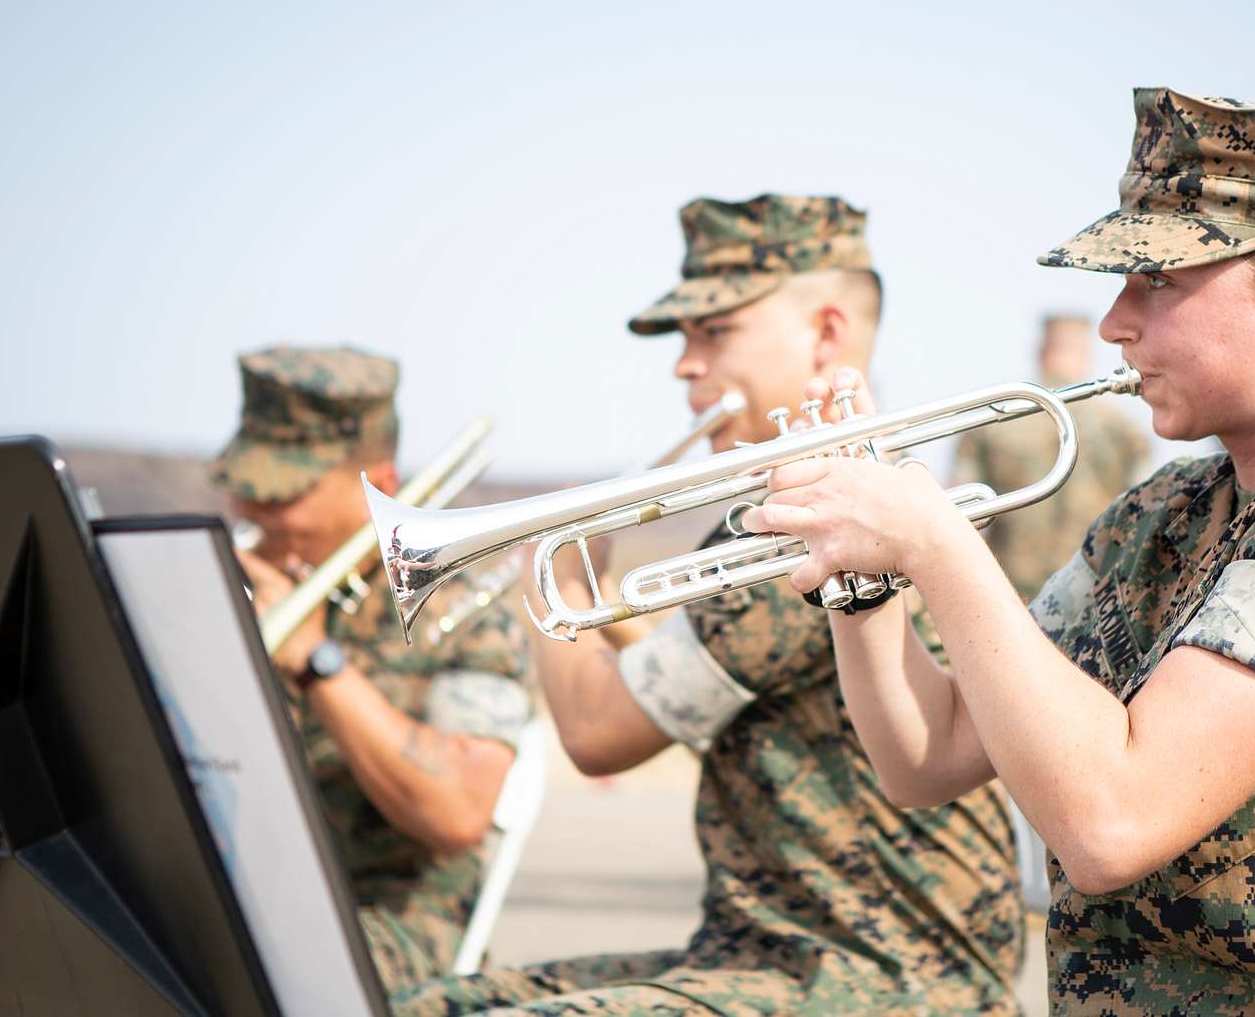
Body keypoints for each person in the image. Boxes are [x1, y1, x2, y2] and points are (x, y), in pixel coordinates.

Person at [747, 90, 1255, 1014]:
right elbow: (930, 754)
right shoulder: (1167, 509)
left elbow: (1111, 821)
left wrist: (938, 546)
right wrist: (863, 579)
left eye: (1156, 280)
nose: (1114, 321)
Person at [395, 194, 1024, 1016]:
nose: (684, 366)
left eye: (715, 331)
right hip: (770, 951)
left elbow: (596, 732)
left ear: (827, 333)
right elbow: (699, 674)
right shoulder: (789, 510)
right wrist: (601, 602)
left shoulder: (827, 518)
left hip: (885, 974)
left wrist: (550, 573)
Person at [210, 347, 535, 993]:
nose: (255, 513)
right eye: (248, 488)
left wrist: (313, 660)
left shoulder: (463, 609)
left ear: (379, 482)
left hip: (388, 924)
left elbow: (457, 811)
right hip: (231, 898)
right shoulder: (224, 590)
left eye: (286, 493)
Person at [951, 312, 1148, 601]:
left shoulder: (993, 422)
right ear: (1086, 355)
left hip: (1009, 594)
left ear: (1041, 351)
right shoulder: (1123, 429)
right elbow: (1141, 517)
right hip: (1091, 592)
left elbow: (960, 516)